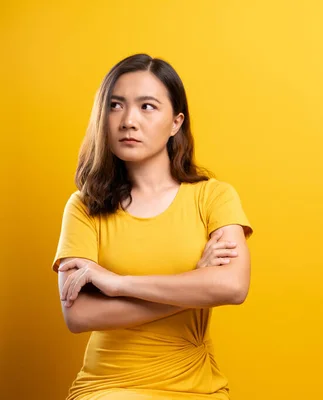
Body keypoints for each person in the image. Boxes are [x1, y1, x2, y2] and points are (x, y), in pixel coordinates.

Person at [52, 53, 254, 400]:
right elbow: (79, 316)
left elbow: (232, 287)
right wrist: (193, 284)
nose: (129, 120)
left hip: (198, 386)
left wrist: (117, 284)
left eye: (147, 106)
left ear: (176, 122)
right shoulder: (84, 206)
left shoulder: (213, 197)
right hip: (110, 387)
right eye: (116, 105)